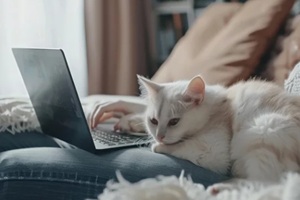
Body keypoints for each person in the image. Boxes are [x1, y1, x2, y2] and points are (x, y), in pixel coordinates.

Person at [0, 1, 295, 199]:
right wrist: (141, 111)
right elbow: (171, 114)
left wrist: (162, 144)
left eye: (169, 124)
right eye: (154, 123)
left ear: (197, 101)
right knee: (8, 138)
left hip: (245, 153)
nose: (161, 133)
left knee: (10, 166)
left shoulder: (215, 110)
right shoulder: (196, 108)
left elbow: (215, 159)